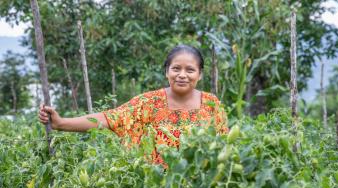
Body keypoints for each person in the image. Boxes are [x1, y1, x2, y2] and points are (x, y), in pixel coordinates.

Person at [39, 44, 229, 165]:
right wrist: (61, 123)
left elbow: (224, 145)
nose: (182, 75)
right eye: (176, 68)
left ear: (200, 74)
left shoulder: (211, 103)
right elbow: (108, 119)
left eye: (190, 70)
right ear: (166, 72)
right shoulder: (149, 102)